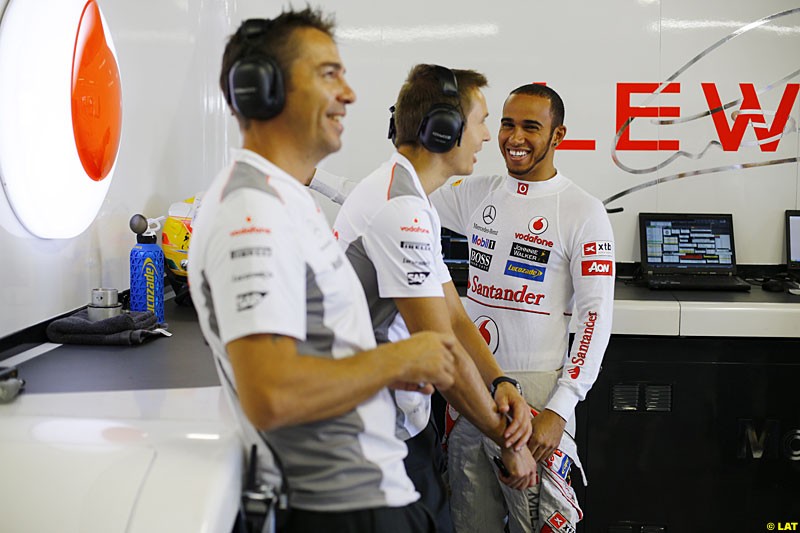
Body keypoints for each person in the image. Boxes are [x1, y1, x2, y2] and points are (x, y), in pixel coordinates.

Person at [188, 10, 460, 533]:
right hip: (345, 507)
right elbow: (272, 394)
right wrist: (397, 357)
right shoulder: (253, 210)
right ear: (261, 90)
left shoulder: (283, 199)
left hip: (368, 493)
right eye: (328, 74)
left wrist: (387, 364)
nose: (350, 93)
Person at [312, 83, 614, 532]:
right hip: (471, 387)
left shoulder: (583, 210)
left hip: (534, 394)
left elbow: (595, 318)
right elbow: (387, 195)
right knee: (469, 521)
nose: (513, 137)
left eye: (531, 127)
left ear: (559, 135)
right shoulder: (479, 193)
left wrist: (561, 408)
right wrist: (311, 175)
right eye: (506, 124)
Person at [323, 64, 537, 533]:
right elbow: (441, 352)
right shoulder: (399, 209)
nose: (485, 137)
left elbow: (453, 313)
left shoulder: (409, 196)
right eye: (481, 120)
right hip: (369, 441)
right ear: (444, 131)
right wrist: (509, 441)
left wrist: (500, 380)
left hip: (392, 425)